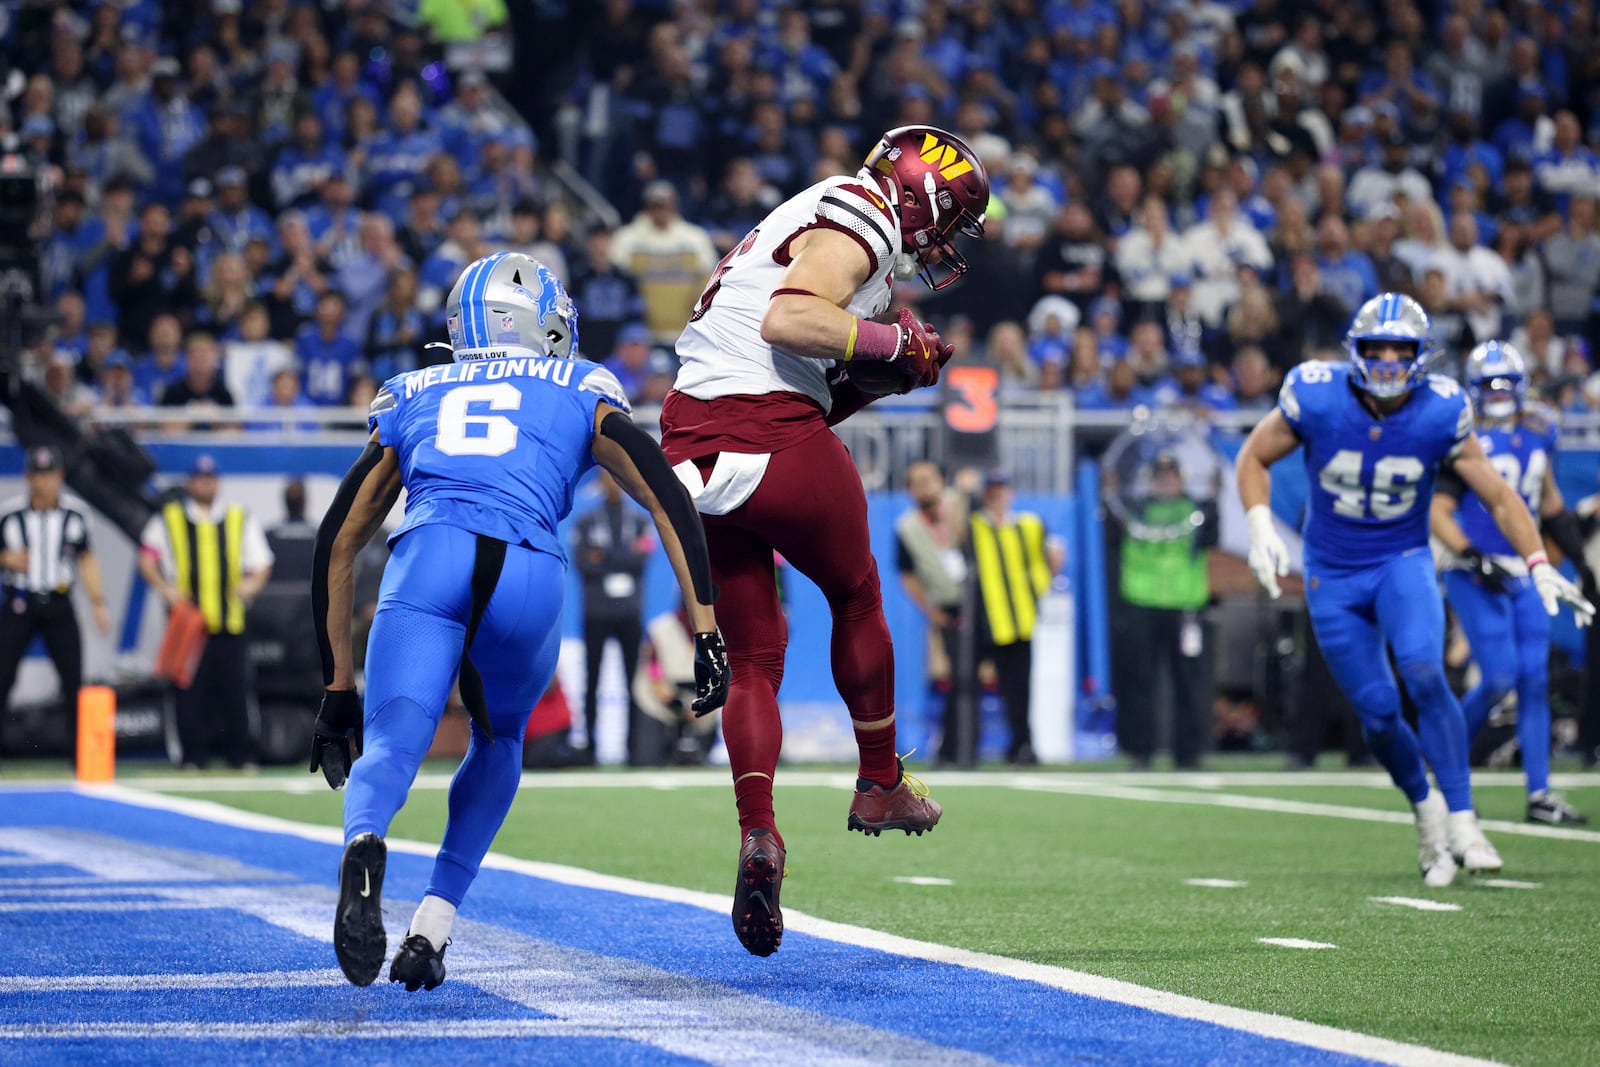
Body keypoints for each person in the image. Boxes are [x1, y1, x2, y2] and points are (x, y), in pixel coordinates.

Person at [307, 252, 728, 992]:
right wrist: (705, 627)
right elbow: (666, 495)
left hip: (428, 553)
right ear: (525, 316)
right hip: (528, 569)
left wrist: (337, 683)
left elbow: (337, 540)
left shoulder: (413, 390)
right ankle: (433, 926)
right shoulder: (579, 384)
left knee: (391, 741)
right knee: (498, 740)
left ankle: (365, 837)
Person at [660, 124, 984, 958]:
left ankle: (759, 830)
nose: (947, 243)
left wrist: (889, 368)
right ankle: (880, 777)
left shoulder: (814, 219)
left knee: (756, 659)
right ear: (923, 194)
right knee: (857, 592)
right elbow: (789, 318)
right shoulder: (863, 209)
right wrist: (888, 342)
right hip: (763, 425)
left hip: (690, 440)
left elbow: (806, 369)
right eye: (951, 219)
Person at [1237, 293, 1593, 888]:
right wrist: (1255, 524)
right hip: (1333, 572)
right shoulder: (1317, 392)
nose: (1383, 359)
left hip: (1402, 559)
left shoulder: (1441, 409)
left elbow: (1502, 497)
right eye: (1373, 347)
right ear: (1354, 351)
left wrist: (1537, 560)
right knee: (1378, 714)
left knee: (1426, 671)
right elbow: (1253, 456)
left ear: (1420, 355)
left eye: (1397, 348)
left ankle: (1463, 817)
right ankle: (1425, 806)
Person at [1430, 342, 1590, 824]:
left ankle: (1540, 793)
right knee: (1498, 676)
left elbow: (1551, 499)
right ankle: (1448, 767)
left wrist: (1582, 566)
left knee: (1535, 680)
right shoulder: (1463, 433)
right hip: (1471, 569)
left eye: (1505, 384)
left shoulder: (1541, 429)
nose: (1498, 394)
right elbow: (1438, 510)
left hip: (1526, 567)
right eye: (1489, 385)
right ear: (1473, 391)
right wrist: (1473, 557)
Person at [138, 455, 275, 769]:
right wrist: (165, 588)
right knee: (187, 693)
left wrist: (250, 586)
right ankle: (191, 757)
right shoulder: (169, 518)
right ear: (190, 482)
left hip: (230, 622)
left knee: (235, 693)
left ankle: (239, 756)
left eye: (210, 478)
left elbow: (262, 561)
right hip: (188, 625)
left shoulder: (238, 517)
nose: (205, 483)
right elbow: (147, 558)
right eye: (200, 478)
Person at [0, 447, 111, 757]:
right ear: (27, 477)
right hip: (19, 603)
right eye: (37, 475)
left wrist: (98, 601)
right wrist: (4, 558)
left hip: (60, 603)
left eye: (48, 475)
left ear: (59, 476)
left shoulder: (75, 514)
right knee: (2, 677)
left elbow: (87, 559)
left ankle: (82, 754)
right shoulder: (10, 514)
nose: (43, 483)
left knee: (72, 680)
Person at [1111, 451, 1217, 770]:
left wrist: (1215, 495)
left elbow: (1212, 536)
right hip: (1142, 601)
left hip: (1185, 603)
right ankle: (1139, 751)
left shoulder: (1196, 510)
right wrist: (1109, 492)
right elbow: (1113, 531)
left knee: (1189, 683)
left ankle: (1190, 752)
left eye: (1172, 475)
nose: (1167, 481)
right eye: (1161, 475)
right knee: (1140, 682)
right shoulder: (1134, 510)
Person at [968, 470, 1061, 767]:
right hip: (981, 620)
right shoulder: (973, 525)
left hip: (1018, 619)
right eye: (991, 491)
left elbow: (1050, 559)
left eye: (1001, 490)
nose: (997, 496)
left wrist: (1038, 591)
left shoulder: (1029, 525)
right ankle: (963, 749)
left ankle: (1022, 748)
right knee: (965, 687)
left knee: (1020, 691)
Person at [572, 469, 654, 765]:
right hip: (596, 612)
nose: (614, 484)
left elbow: (641, 560)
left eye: (618, 479)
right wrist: (621, 557)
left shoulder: (640, 522)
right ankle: (590, 748)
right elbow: (583, 563)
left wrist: (603, 557)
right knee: (591, 680)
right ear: (600, 483)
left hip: (629, 612)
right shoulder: (587, 522)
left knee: (634, 681)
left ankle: (634, 749)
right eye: (608, 478)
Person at [894, 461, 968, 765]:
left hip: (980, 603)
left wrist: (954, 509)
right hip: (948, 608)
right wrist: (931, 610)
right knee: (957, 676)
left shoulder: (959, 506)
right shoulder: (907, 527)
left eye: (930, 480)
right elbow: (907, 574)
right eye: (918, 482)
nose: (925, 487)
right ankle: (952, 748)